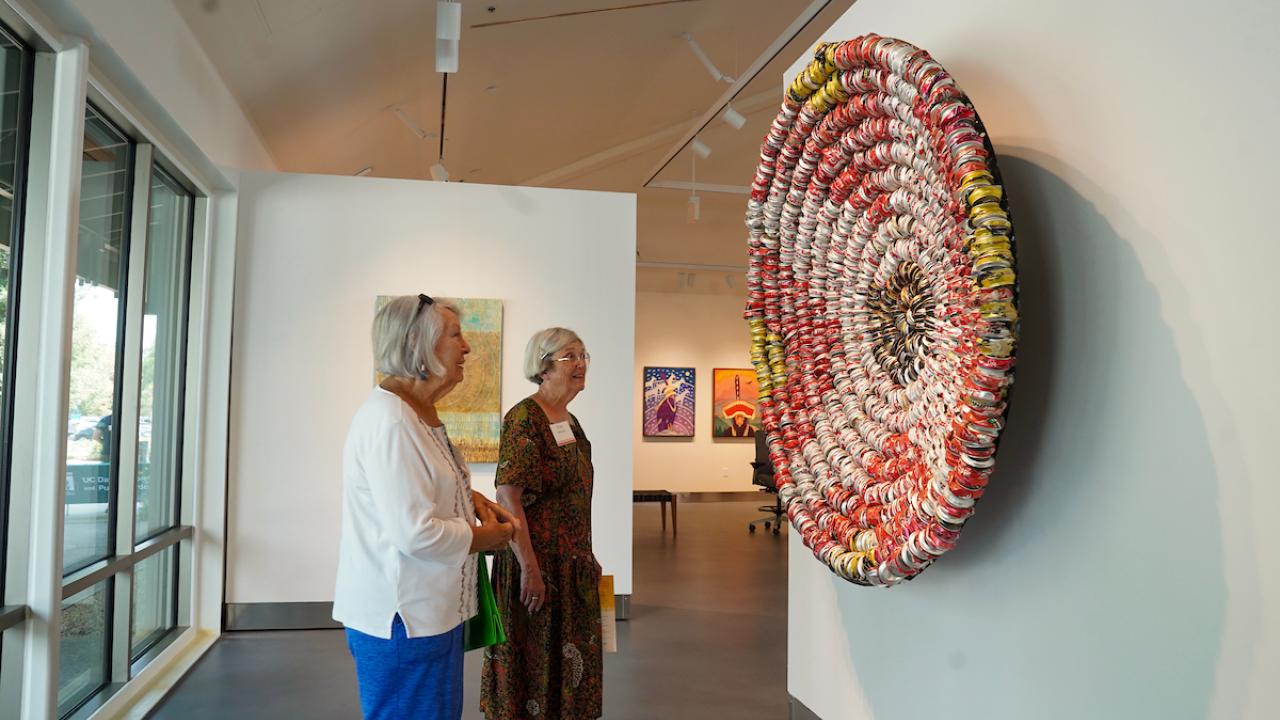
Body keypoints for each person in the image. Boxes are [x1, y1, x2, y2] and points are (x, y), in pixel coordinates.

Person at [334, 293, 519, 720]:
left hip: (429, 613)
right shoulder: (393, 422)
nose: (468, 347)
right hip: (402, 618)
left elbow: (422, 487)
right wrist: (485, 537)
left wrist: (472, 500)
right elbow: (414, 532)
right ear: (418, 342)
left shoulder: (418, 413)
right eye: (455, 335)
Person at [481, 328, 602, 720]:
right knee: (531, 673)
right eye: (571, 356)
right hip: (536, 566)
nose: (581, 363)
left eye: (583, 355)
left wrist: (588, 553)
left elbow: (574, 496)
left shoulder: (570, 421)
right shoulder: (524, 419)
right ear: (544, 366)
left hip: (571, 567)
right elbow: (508, 496)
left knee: (568, 676)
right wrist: (530, 569)